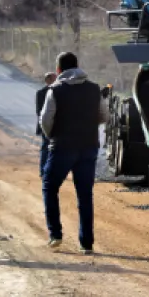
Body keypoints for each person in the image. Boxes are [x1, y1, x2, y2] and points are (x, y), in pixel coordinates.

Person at [39, 52, 107, 255]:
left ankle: (56, 235)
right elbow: (104, 115)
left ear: (58, 70)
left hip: (62, 147)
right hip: (88, 146)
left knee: (50, 187)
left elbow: (45, 119)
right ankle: (86, 243)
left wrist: (53, 136)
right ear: (78, 67)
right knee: (85, 195)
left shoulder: (55, 90)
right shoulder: (94, 89)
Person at [35, 72, 57, 179]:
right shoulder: (41, 93)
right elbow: (39, 111)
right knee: (46, 148)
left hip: (57, 125)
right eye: (53, 78)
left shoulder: (58, 92)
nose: (56, 80)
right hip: (46, 124)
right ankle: (43, 171)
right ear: (47, 80)